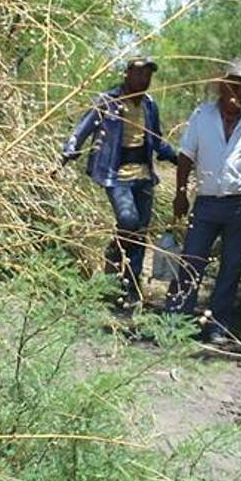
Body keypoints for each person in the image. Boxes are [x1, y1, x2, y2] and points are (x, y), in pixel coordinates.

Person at [165, 57, 241, 345]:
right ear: (222, 85)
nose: (238, 91)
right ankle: (175, 323)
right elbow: (186, 156)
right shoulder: (202, 115)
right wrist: (180, 195)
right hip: (205, 203)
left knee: (231, 267)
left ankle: (217, 326)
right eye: (234, 84)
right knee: (192, 261)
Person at [61, 57, 178, 307]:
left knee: (140, 232)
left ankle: (130, 287)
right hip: (116, 174)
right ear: (126, 75)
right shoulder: (108, 102)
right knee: (128, 220)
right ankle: (114, 254)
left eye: (147, 76)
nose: (144, 80)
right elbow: (83, 128)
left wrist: (178, 156)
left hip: (143, 175)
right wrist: (71, 148)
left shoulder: (149, 105)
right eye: (139, 75)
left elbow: (156, 140)